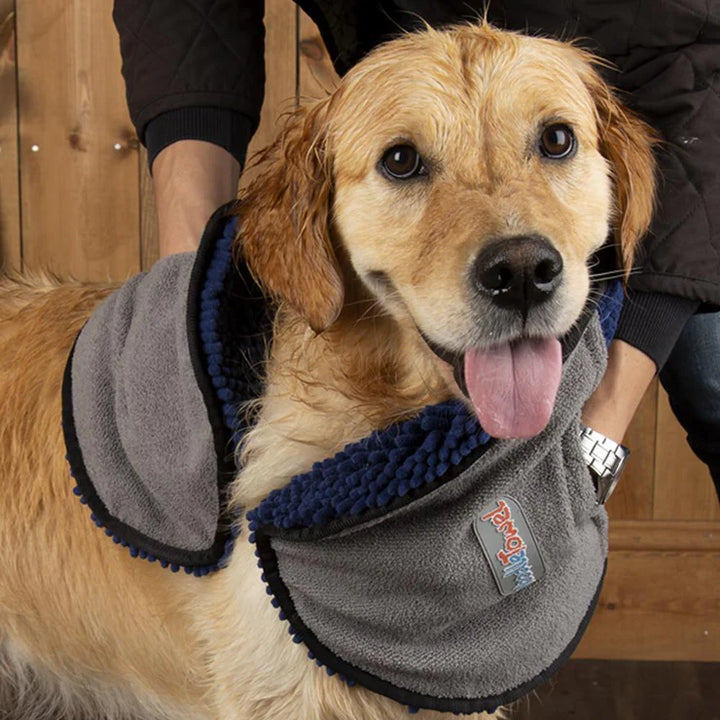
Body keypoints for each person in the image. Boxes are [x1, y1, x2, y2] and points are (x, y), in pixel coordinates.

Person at [112, 0, 720, 498]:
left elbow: (703, 57)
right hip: (396, 56)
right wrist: (188, 286)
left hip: (689, 113)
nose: (513, 252)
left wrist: (598, 431)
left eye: (555, 142)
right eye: (403, 163)